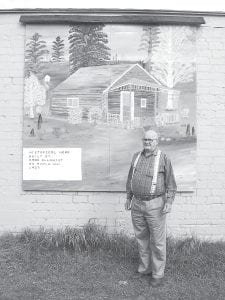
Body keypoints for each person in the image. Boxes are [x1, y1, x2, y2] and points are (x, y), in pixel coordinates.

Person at [125, 129, 177, 287]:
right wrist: (129, 197)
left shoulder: (163, 158)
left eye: (151, 140)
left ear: (157, 141)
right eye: (145, 139)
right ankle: (144, 269)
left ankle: (158, 274)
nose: (147, 142)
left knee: (158, 241)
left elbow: (171, 183)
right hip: (137, 204)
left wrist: (169, 201)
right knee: (141, 238)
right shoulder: (136, 156)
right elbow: (130, 178)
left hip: (155, 204)